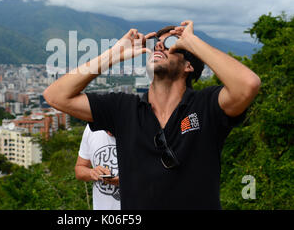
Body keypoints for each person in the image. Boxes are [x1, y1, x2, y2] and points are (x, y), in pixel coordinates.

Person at [43, 20, 261, 209]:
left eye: (170, 44)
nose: (158, 46)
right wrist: (114, 54)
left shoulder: (206, 106)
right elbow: (56, 96)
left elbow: (247, 84)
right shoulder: (124, 108)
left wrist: (192, 41)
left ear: (188, 66)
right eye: (157, 43)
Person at [75, 124, 121, 210]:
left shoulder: (142, 126)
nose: (110, 134)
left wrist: (126, 182)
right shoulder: (91, 128)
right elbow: (79, 169)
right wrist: (91, 173)